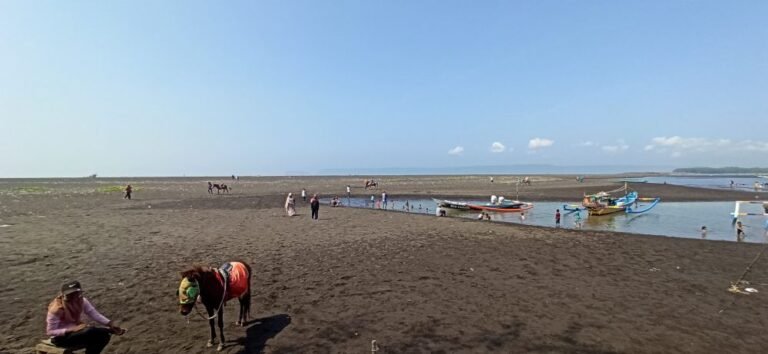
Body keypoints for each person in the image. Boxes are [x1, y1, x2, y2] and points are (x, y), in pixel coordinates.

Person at [46, 281, 125, 354]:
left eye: (75, 294)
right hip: (61, 339)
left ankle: (109, 330)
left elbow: (95, 314)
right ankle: (109, 330)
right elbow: (50, 331)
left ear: (79, 293)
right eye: (69, 295)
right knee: (90, 330)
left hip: (77, 333)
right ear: (63, 295)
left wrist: (111, 324)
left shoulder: (82, 301)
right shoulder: (56, 309)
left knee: (104, 337)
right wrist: (70, 330)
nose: (73, 297)